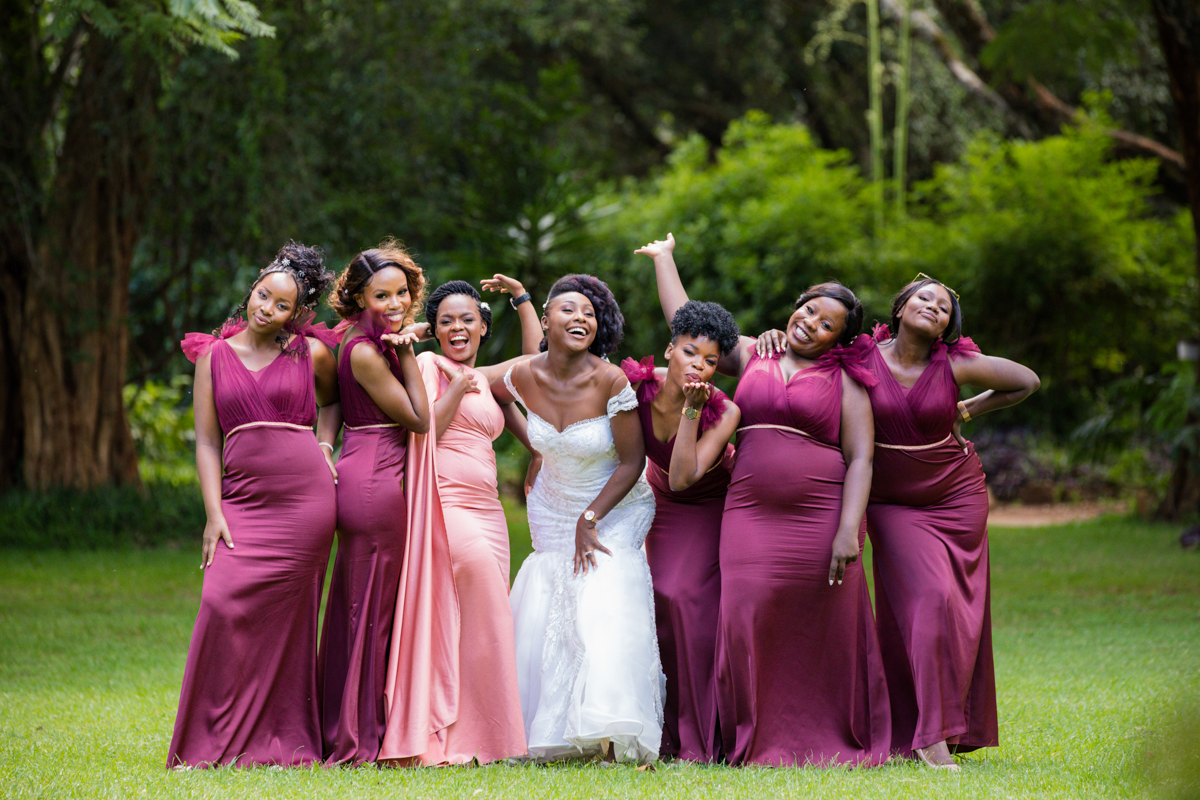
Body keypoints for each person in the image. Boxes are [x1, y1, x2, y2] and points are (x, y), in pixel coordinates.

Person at [760, 274, 1039, 770]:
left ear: (948, 326)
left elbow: (1026, 381)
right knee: (928, 602)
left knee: (956, 611)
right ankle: (930, 737)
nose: (933, 306)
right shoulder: (859, 356)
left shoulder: (955, 363)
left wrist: (972, 404)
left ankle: (944, 726)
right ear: (901, 306)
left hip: (956, 496)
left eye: (944, 307)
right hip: (892, 503)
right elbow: (804, 344)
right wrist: (772, 336)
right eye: (924, 297)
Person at [639, 233, 889, 767]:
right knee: (747, 616)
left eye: (828, 325)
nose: (811, 325)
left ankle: (823, 735)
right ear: (797, 305)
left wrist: (850, 529)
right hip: (750, 512)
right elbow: (690, 326)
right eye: (809, 311)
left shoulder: (846, 381)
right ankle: (750, 737)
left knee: (821, 625)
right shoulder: (755, 351)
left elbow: (862, 458)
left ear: (839, 339)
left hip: (819, 516)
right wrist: (665, 260)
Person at [168, 242, 339, 768]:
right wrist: (213, 512)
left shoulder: (309, 353)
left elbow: (332, 404)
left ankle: (283, 739)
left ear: (298, 312)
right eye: (263, 294)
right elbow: (206, 442)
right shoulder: (212, 357)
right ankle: (210, 739)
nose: (267, 308)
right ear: (252, 289)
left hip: (306, 505)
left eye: (281, 304)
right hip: (241, 502)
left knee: (291, 624)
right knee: (220, 604)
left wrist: (326, 446)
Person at [491, 274, 663, 765]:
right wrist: (539, 446)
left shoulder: (610, 380)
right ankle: (551, 725)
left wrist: (590, 518)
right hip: (553, 501)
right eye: (568, 310)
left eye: (588, 313)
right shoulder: (523, 373)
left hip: (615, 503)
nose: (580, 318)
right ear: (545, 320)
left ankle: (610, 730)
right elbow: (475, 383)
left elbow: (632, 463)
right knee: (552, 596)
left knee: (604, 589)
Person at [376, 275, 541, 765]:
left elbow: (537, 362)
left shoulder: (489, 380)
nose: (457, 328)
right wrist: (443, 364)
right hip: (445, 502)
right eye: (446, 321)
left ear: (484, 327)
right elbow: (424, 426)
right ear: (434, 329)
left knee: (483, 619)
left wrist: (521, 298)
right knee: (484, 605)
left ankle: (487, 735)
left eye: (468, 319)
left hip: (488, 509)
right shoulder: (428, 363)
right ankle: (449, 732)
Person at [317, 240, 433, 766]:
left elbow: (333, 405)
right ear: (359, 298)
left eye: (401, 293)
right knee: (370, 611)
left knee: (362, 604)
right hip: (375, 477)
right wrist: (408, 350)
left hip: (366, 466)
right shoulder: (366, 350)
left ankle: (351, 723)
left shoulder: (364, 339)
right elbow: (418, 416)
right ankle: (357, 735)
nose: (395, 304)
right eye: (381, 295)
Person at [619, 299, 741, 762]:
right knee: (661, 598)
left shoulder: (724, 411)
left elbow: (685, 476)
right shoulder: (635, 386)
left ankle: (706, 734)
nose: (700, 366)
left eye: (711, 361)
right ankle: (665, 731)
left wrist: (692, 412)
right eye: (691, 353)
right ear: (669, 350)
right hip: (664, 504)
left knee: (689, 598)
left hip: (710, 502)